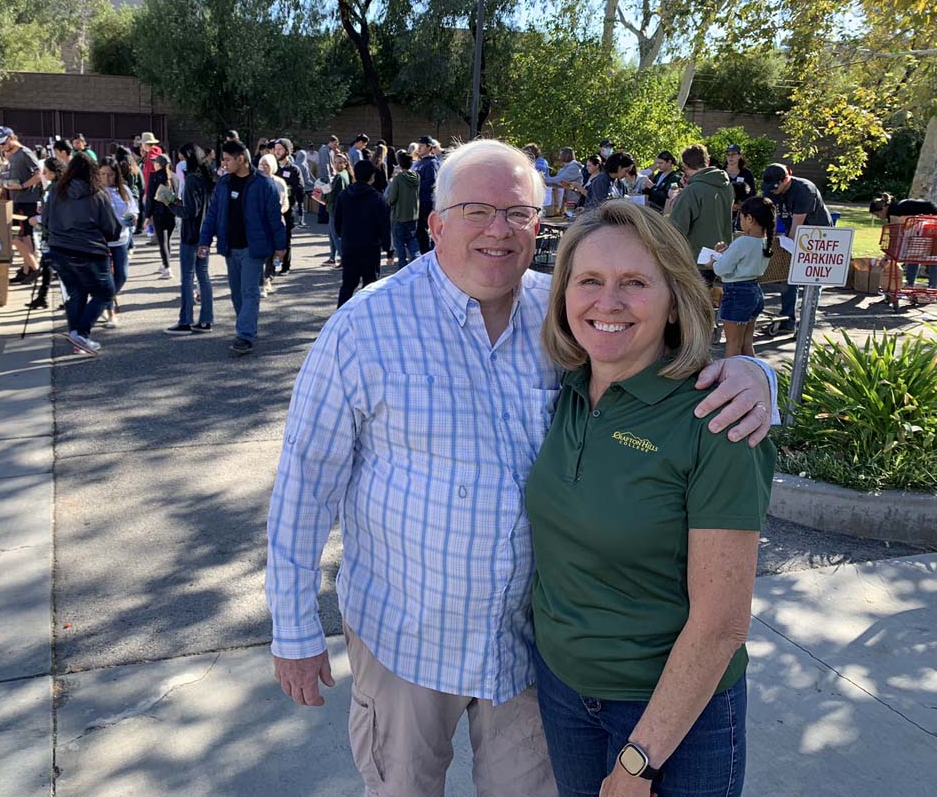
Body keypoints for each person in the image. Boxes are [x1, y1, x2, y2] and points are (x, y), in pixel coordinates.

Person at [267, 139, 777, 797]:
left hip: (527, 655)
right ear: (436, 223)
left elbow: (664, 360)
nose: (498, 231)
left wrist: (755, 372)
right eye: (476, 210)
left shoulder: (567, 315)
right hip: (405, 639)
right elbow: (305, 484)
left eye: (519, 214)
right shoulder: (364, 328)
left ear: (542, 224)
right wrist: (294, 626)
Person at [527, 198, 774, 797]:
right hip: (563, 694)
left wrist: (640, 761)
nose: (606, 303)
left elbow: (720, 625)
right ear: (563, 296)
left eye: (634, 283)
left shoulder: (716, 422)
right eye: (589, 281)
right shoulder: (566, 393)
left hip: (675, 719)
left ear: (673, 300)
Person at [196, 139, 286, 356]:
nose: (224, 164)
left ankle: (244, 335)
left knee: (249, 291)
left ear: (241, 159)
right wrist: (204, 241)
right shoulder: (224, 183)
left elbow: (275, 218)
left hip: (253, 249)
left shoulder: (264, 184)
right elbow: (213, 214)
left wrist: (281, 247)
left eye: (227, 159)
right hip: (230, 247)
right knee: (237, 293)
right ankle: (246, 327)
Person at [43, 153, 121, 356]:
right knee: (105, 292)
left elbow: (46, 220)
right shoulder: (97, 194)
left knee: (76, 292)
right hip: (90, 249)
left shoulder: (56, 192)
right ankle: (81, 334)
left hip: (60, 248)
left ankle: (77, 335)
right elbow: (112, 228)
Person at [762, 163, 831, 331]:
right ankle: (788, 319)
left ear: (786, 179)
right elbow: (770, 219)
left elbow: (797, 227)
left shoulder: (805, 190)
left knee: (812, 280)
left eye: (776, 187)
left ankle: (807, 322)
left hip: (817, 235)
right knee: (787, 275)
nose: (772, 191)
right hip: (792, 233)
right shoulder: (771, 190)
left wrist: (785, 243)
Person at [709, 196, 775, 357]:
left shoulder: (742, 241)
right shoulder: (765, 241)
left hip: (736, 293)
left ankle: (731, 379)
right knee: (746, 343)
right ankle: (752, 375)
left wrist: (714, 262)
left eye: (742, 218)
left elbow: (720, 269)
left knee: (733, 346)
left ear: (749, 218)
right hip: (754, 291)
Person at [165, 143, 214, 335]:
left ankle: (185, 320)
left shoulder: (192, 179)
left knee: (187, 277)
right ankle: (206, 320)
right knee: (203, 275)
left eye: (183, 158)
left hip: (191, 234)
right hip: (205, 234)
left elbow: (189, 211)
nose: (181, 162)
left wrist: (171, 204)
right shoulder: (206, 178)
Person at [669, 144, 734, 282]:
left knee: (695, 303)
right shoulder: (726, 185)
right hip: (722, 256)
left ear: (685, 165)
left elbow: (675, 230)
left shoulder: (692, 191)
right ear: (707, 161)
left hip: (698, 261)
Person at [0, 126, 43, 285]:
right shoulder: (9, 154)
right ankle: (26, 269)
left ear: (12, 137)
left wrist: (23, 186)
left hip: (28, 200)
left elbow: (39, 174)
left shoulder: (24, 153)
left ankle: (33, 268)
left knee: (24, 235)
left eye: (4, 143)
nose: (1, 147)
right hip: (17, 198)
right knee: (20, 236)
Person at [334, 159, 391, 307]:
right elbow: (384, 225)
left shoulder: (344, 195)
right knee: (370, 285)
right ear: (372, 177)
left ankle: (340, 317)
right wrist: (388, 249)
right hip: (370, 247)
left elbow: (337, 221)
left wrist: (343, 235)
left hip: (349, 244)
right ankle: (368, 316)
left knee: (347, 284)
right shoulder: (378, 198)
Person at [98, 158, 139, 329]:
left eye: (110, 175)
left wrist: (133, 217)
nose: (106, 178)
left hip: (121, 238)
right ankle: (110, 312)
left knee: (122, 275)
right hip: (101, 240)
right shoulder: (95, 192)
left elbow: (133, 209)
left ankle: (101, 301)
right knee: (106, 278)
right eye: (103, 174)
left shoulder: (125, 190)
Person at [870, 192, 937, 289]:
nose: (878, 217)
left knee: (921, 254)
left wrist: (888, 255)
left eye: (877, 214)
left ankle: (912, 284)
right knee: (927, 254)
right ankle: (932, 286)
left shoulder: (894, 213)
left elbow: (895, 236)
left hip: (931, 221)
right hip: (930, 219)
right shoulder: (898, 207)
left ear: (883, 208)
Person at [26, 155, 66, 311]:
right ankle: (42, 296)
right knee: (47, 264)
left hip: (54, 233)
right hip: (49, 232)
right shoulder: (53, 187)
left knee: (56, 266)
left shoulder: (57, 188)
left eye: (46, 171)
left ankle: (66, 298)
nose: (43, 173)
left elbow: (56, 212)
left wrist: (38, 218)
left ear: (54, 172)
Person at [258, 153, 291, 297]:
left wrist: (280, 211)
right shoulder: (255, 182)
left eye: (267, 165)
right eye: (262, 165)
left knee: (275, 252)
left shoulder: (279, 182)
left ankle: (269, 276)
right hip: (260, 222)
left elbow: (285, 202)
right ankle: (261, 282)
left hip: (276, 220)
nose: (264, 168)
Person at [272, 139, 304, 269]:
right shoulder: (272, 167)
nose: (277, 151)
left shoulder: (294, 169)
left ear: (287, 150)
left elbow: (299, 188)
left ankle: (285, 266)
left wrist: (288, 189)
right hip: (272, 210)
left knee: (285, 239)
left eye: (280, 149)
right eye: (275, 149)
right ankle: (273, 266)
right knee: (272, 239)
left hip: (287, 209)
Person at [386, 150, 421, 268]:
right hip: (413, 215)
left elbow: (392, 198)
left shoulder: (398, 179)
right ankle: (416, 260)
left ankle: (402, 268)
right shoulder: (416, 177)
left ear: (399, 164)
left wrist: (388, 202)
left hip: (399, 215)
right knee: (412, 240)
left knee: (399, 244)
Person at [148, 154, 178, 280]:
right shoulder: (174, 177)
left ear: (159, 164)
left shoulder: (154, 177)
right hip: (171, 213)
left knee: (162, 242)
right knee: (168, 240)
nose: (153, 164)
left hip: (158, 213)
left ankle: (167, 268)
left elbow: (150, 198)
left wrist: (147, 216)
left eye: (155, 162)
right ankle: (164, 264)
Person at [414, 134, 441, 252]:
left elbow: (431, 182)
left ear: (430, 148)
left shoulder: (431, 163)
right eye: (419, 145)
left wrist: (415, 185)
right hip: (417, 200)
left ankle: (427, 253)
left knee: (424, 229)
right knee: (419, 230)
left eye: (422, 146)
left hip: (426, 201)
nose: (419, 148)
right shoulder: (418, 163)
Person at [323, 153, 351, 267]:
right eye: (335, 162)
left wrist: (323, 195)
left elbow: (332, 194)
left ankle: (343, 259)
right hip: (336, 209)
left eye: (340, 162)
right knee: (332, 234)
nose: (337, 165)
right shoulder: (343, 174)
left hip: (335, 209)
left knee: (336, 236)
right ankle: (332, 257)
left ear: (345, 164)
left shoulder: (340, 176)